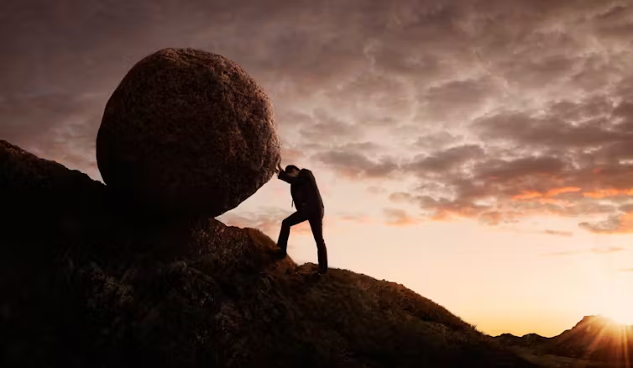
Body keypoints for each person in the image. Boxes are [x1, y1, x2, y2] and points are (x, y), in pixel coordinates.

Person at [275, 163, 328, 275]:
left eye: (291, 173)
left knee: (319, 239)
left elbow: (297, 180)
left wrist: (281, 174)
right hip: (305, 211)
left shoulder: (306, 173)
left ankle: (323, 270)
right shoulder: (295, 183)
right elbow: (293, 181)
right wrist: (282, 173)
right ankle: (281, 251)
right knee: (286, 223)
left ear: (296, 170)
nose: (290, 176)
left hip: (314, 210)